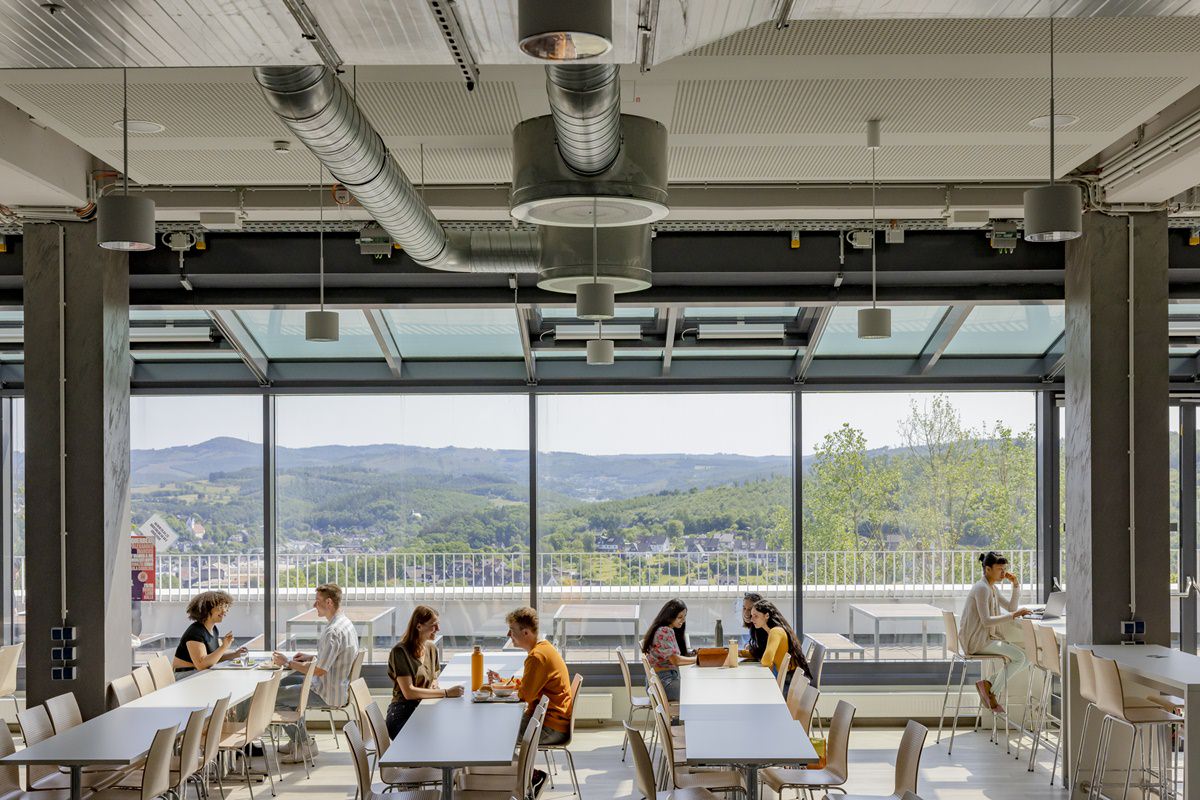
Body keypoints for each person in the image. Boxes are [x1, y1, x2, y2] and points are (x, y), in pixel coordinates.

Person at [272, 584, 360, 763]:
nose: (314, 605)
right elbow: (333, 657)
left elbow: (320, 670)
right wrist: (309, 657)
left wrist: (288, 662)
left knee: (273, 698)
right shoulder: (345, 624)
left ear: (329, 602)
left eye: (318, 601)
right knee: (284, 685)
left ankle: (304, 744)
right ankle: (297, 740)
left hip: (327, 692)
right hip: (338, 687)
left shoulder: (332, 631)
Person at [488, 606, 571, 746]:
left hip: (548, 727)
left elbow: (524, 696)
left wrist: (505, 689)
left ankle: (515, 768)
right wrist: (503, 681)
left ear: (525, 632)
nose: (508, 634)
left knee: (495, 733)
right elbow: (530, 685)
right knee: (497, 727)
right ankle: (516, 767)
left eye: (512, 630)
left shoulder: (536, 657)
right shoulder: (544, 648)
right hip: (552, 722)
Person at [960, 551, 1030, 713]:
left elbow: (1011, 607)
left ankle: (988, 684)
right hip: (976, 641)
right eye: (1000, 569)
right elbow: (986, 620)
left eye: (1004, 569)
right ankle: (992, 693)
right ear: (988, 569)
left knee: (1028, 657)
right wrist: (1014, 615)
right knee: (1020, 657)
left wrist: (1016, 585)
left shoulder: (992, 588)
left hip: (985, 638)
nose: (1003, 573)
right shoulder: (982, 589)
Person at [385, 605, 464, 738]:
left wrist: (434, 683)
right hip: (403, 714)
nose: (438, 629)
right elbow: (409, 692)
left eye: (437, 624)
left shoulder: (431, 648)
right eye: (433, 625)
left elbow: (434, 676)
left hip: (424, 708)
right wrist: (446, 692)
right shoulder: (400, 652)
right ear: (419, 626)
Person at [749, 600, 813, 698]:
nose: (752, 619)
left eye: (756, 616)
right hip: (790, 678)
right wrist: (741, 653)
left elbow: (766, 661)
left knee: (757, 694)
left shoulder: (775, 631)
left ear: (766, 616)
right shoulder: (774, 630)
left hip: (790, 682)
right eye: (751, 615)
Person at [172, 590, 247, 672]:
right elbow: (201, 665)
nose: (224, 611)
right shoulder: (195, 632)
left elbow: (214, 658)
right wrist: (223, 647)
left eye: (225, 607)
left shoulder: (214, 629)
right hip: (186, 675)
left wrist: (235, 654)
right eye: (220, 607)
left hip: (200, 673)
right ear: (206, 609)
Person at [642, 599, 696, 702]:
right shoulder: (664, 631)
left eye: (684, 617)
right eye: (680, 617)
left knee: (694, 687)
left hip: (660, 682)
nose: (683, 620)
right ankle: (679, 717)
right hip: (663, 684)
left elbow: (673, 655)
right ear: (670, 616)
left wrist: (693, 655)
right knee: (695, 690)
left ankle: (678, 718)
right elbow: (675, 660)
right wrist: (697, 659)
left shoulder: (666, 629)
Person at [741, 592, 768, 661]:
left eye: (750, 609)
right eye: (744, 608)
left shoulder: (766, 629)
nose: (746, 613)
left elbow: (763, 656)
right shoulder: (754, 627)